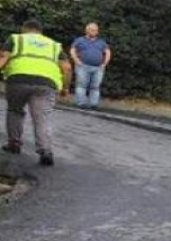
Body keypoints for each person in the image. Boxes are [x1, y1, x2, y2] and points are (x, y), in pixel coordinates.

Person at [0, 19, 72, 166]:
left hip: (18, 80)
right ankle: (45, 150)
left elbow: (4, 59)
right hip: (46, 84)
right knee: (42, 116)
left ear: (24, 29)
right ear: (40, 32)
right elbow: (67, 68)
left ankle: (14, 144)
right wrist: (65, 87)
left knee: (15, 111)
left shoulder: (16, 39)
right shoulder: (53, 45)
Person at [70, 22, 111, 109]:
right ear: (87, 30)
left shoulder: (101, 42)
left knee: (95, 87)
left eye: (96, 30)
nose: (94, 32)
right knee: (81, 85)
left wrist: (104, 64)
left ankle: (93, 104)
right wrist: (76, 61)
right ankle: (81, 103)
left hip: (98, 68)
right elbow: (72, 50)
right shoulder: (80, 40)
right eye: (92, 30)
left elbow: (107, 52)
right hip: (83, 66)